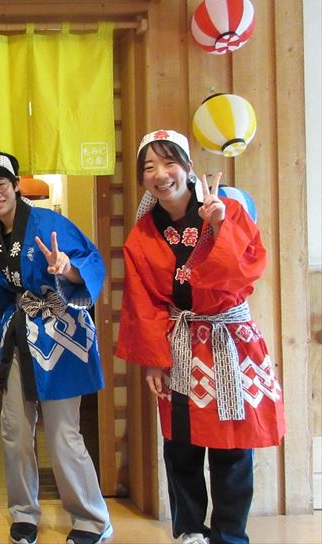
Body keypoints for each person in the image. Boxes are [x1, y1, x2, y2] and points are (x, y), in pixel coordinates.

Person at [116, 130, 285, 544]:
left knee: (231, 446)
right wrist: (153, 358)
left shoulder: (226, 210)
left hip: (229, 339)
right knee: (181, 445)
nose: (160, 174)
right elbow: (143, 301)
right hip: (179, 343)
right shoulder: (142, 234)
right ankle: (190, 530)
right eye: (149, 167)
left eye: (169, 162)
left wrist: (219, 227)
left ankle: (230, 534)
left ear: (188, 168)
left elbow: (243, 273)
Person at [0, 152, 112, 544]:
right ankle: (24, 513)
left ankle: (91, 519)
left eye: (0, 184)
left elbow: (90, 261)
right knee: (15, 429)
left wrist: (66, 268)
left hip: (61, 333)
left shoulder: (51, 225)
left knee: (64, 433)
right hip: (17, 338)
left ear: (15, 184)